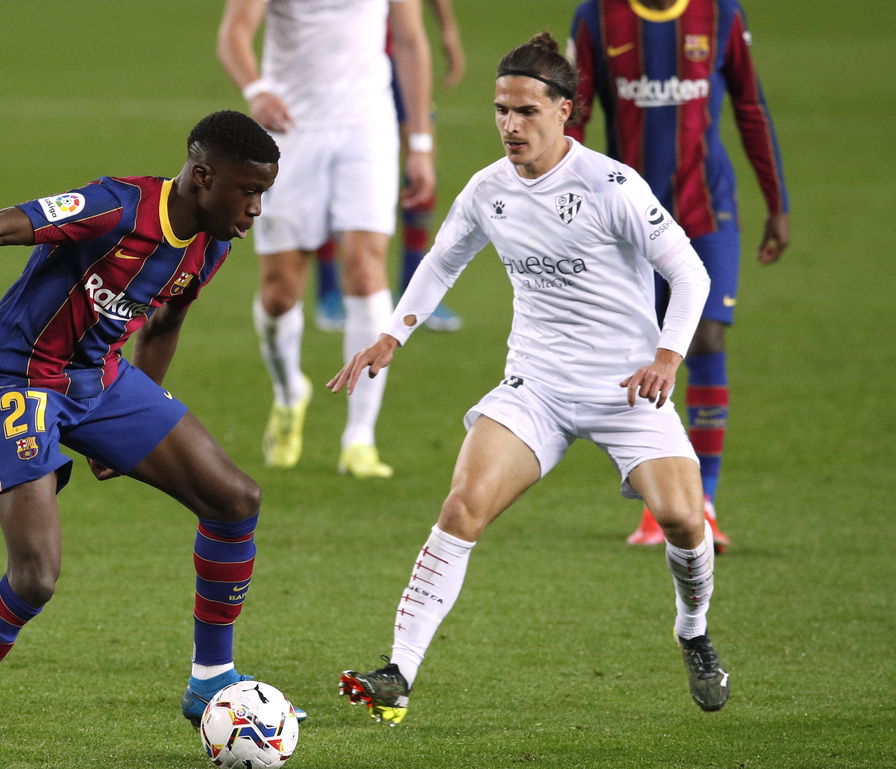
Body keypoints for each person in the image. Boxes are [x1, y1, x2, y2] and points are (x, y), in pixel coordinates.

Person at [333, 33, 729, 727]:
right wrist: (394, 334)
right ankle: (398, 671)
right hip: (536, 387)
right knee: (462, 507)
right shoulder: (489, 190)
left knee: (682, 519)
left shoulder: (612, 186)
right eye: (501, 110)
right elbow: (441, 261)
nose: (510, 125)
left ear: (564, 111)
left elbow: (689, 272)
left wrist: (668, 357)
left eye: (525, 111)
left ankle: (692, 632)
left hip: (627, 389)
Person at [0, 111, 298, 769]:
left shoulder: (211, 244)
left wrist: (135, 428)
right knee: (35, 576)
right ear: (203, 177)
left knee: (234, 499)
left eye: (263, 194)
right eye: (248, 191)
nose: (256, 209)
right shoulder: (117, 206)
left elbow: (163, 323)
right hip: (20, 377)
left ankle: (210, 679)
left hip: (101, 380)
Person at [566, 0, 791, 552]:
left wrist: (777, 202)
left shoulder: (721, 15)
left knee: (706, 337)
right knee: (643, 351)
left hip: (708, 210)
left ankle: (704, 502)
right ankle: (658, 504)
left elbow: (751, 105)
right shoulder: (597, 17)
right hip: (627, 218)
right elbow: (571, 120)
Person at [217, 0, 436, 478]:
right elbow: (234, 32)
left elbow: (410, 41)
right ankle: (289, 391)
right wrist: (256, 90)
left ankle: (360, 437)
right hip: (290, 131)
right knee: (279, 294)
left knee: (365, 270)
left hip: (367, 129)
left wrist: (420, 144)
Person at [314, 0, 466, 334]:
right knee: (330, 164)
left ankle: (413, 288)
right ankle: (328, 290)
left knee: (422, 161)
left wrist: (448, 28)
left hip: (399, 52)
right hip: (342, 57)